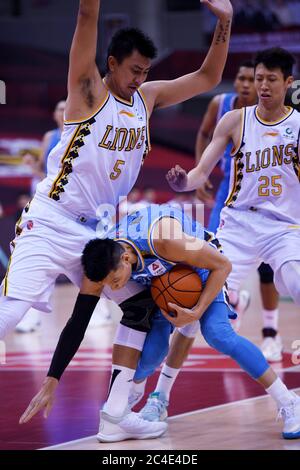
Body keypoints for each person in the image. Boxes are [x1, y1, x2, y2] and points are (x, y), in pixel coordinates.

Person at [1, 0, 234, 439]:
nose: (140, 78)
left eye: (146, 70)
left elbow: (207, 78)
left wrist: (225, 21)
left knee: (141, 305)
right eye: (133, 70)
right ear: (111, 64)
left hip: (98, 232)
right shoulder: (88, 89)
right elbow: (86, 16)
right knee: (9, 314)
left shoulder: (147, 98)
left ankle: (115, 414)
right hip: (51, 221)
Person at [20, 204, 300, 442]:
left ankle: (289, 402)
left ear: (127, 258)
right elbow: (77, 323)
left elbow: (223, 265)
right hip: (163, 280)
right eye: (108, 285)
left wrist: (197, 309)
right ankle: (130, 400)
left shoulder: (165, 240)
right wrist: (53, 378)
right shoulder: (102, 263)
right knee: (153, 351)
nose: (115, 289)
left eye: (116, 281)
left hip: (201, 269)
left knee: (218, 335)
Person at [166, 46, 300, 375]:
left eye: (271, 79)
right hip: (238, 224)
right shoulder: (234, 119)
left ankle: (271, 333)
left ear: (289, 82)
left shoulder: (298, 125)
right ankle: (160, 394)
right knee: (196, 301)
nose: (263, 85)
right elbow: (200, 172)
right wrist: (184, 182)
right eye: (259, 78)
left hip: (283, 227)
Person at [195, 61, 282, 361]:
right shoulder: (222, 107)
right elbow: (204, 134)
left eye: (252, 79)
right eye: (243, 78)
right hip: (230, 192)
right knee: (214, 256)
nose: (248, 84)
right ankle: (233, 300)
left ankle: (271, 333)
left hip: (267, 196)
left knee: (266, 267)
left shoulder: (274, 113)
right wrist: (200, 171)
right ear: (236, 82)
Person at [41, 100, 66, 172]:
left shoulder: (78, 136)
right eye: (61, 110)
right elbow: (41, 165)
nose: (63, 113)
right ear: (54, 115)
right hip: (50, 181)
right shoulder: (49, 136)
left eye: (66, 109)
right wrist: (31, 163)